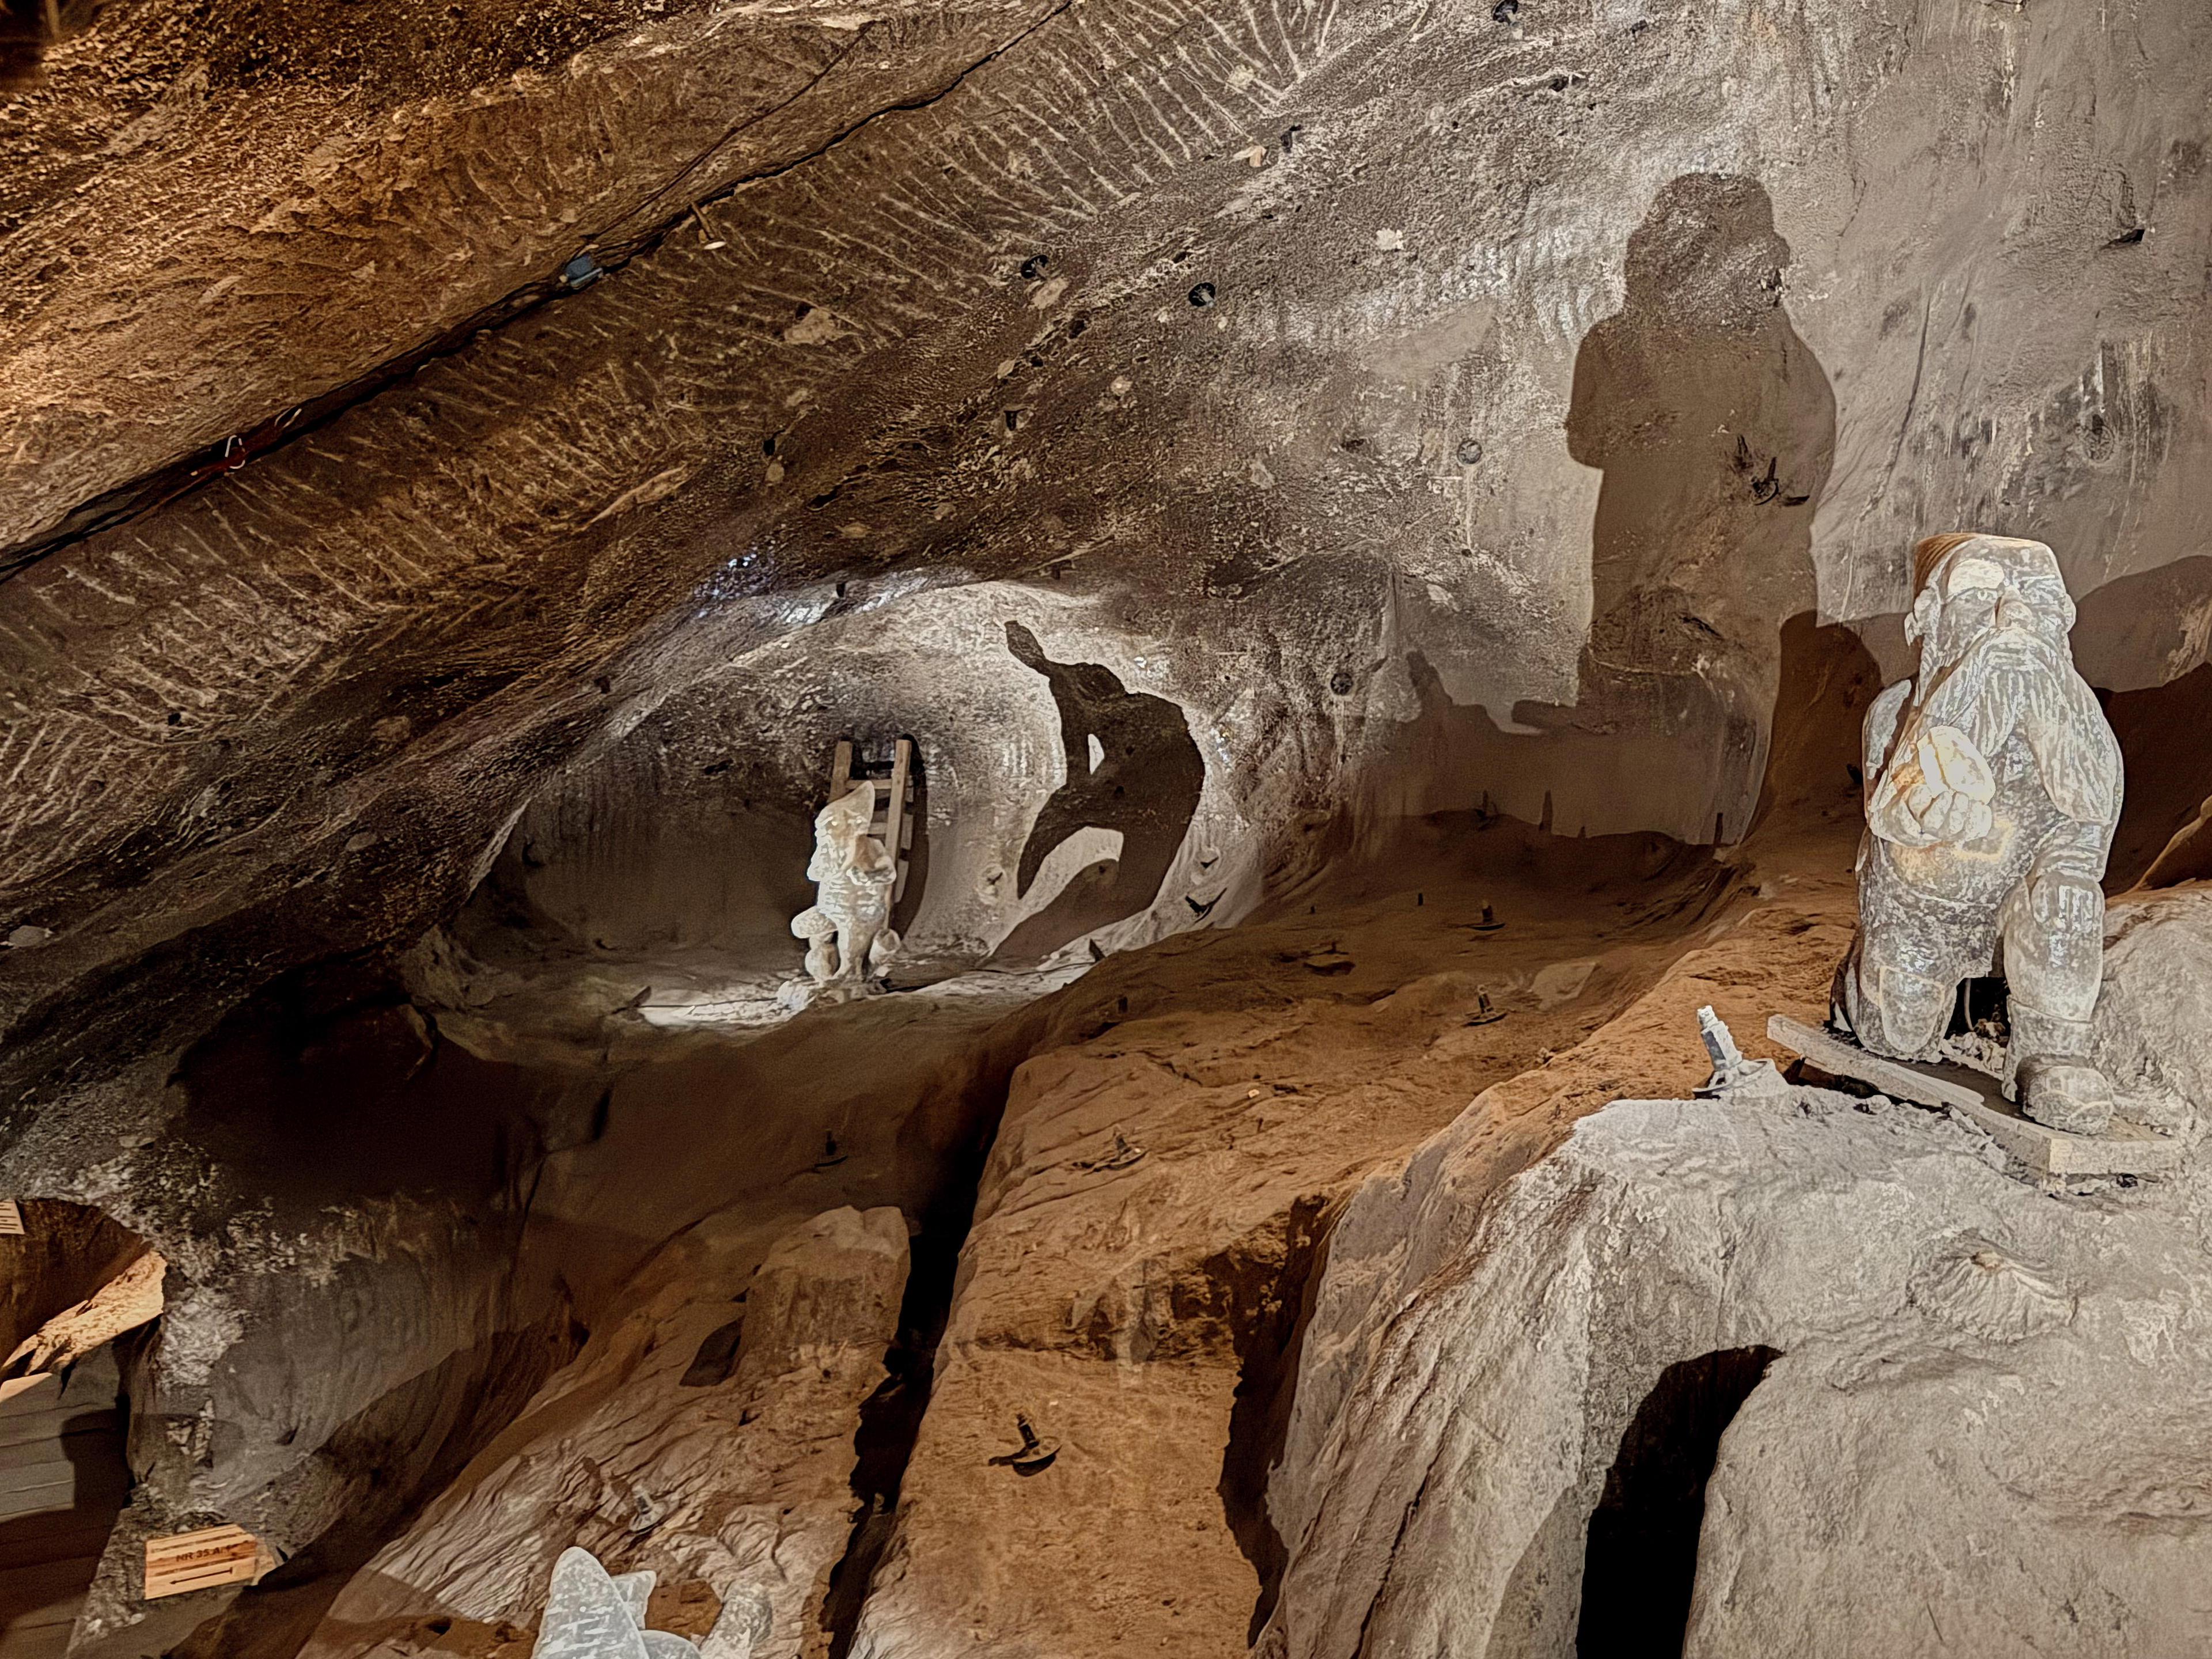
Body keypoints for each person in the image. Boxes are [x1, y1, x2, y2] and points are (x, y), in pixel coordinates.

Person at [1832, 532, 2124, 1134]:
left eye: (2035, 599)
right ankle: (1871, 984)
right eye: (1980, 597)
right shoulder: (1897, 714)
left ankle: (2052, 1053)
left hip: (2022, 900)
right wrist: (1921, 815)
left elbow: (2090, 814)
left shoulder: (2075, 719)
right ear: (1930, 621)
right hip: (1925, 910)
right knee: (1899, 1037)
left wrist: (2069, 872)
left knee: (2067, 904)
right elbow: (1891, 821)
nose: (2012, 617)